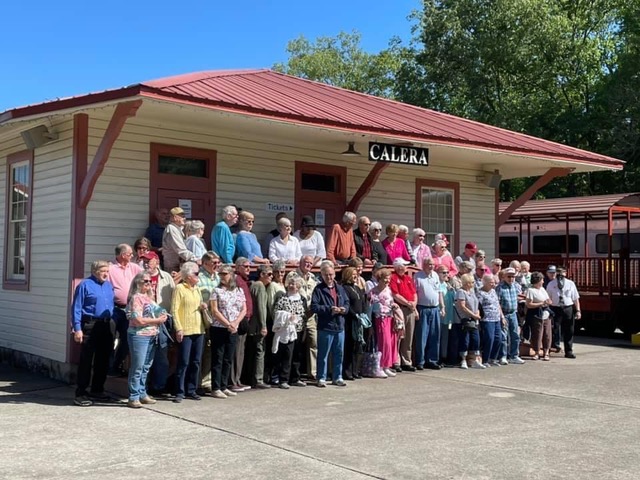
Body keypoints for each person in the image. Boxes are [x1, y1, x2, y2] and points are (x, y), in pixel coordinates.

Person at [71, 260, 115, 406]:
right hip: (89, 324)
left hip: (105, 324)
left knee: (103, 359)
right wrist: (77, 328)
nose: (106, 274)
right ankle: (81, 393)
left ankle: (97, 390)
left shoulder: (109, 286)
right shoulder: (84, 285)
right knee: (86, 360)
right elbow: (76, 307)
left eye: (107, 271)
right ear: (95, 271)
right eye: (103, 271)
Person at [125, 272, 168, 408]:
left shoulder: (148, 298)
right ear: (138, 283)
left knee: (146, 366)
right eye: (146, 281)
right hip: (139, 335)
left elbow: (160, 310)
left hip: (151, 335)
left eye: (150, 281)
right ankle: (133, 396)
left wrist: (162, 314)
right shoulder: (136, 298)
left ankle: (142, 393)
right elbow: (138, 320)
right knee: (138, 366)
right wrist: (157, 320)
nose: (149, 284)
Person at [139, 251, 176, 397]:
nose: (146, 263)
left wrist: (170, 318)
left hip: (162, 319)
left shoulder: (166, 277)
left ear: (156, 261)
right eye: (144, 261)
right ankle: (143, 387)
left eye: (149, 260)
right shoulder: (140, 277)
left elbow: (173, 298)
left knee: (162, 353)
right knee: (146, 355)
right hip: (145, 320)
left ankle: (159, 386)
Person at [171, 262, 207, 403]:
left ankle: (191, 389)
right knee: (184, 361)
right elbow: (174, 309)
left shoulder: (196, 289)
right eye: (196, 274)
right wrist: (178, 328)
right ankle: (179, 391)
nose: (198, 276)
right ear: (188, 276)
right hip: (185, 330)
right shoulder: (179, 288)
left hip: (199, 328)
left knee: (196, 361)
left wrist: (203, 306)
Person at [209, 264, 247, 398]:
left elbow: (243, 309)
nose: (222, 276)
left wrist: (235, 323)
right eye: (220, 274)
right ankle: (216, 387)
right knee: (218, 358)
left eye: (224, 274)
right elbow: (214, 310)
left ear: (231, 275)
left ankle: (224, 385)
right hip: (219, 328)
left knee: (228, 358)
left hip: (233, 328)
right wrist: (227, 324)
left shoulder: (238, 291)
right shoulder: (216, 291)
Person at [311, 263, 350, 387]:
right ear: (322, 275)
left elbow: (347, 302)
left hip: (339, 325)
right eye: (326, 275)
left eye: (331, 274)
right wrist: (329, 309)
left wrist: (344, 309)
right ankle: (321, 377)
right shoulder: (318, 289)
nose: (329, 277)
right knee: (323, 354)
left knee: (339, 353)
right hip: (325, 326)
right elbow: (314, 306)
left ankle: (337, 377)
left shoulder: (340, 288)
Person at [109, 243, 143, 376]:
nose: (132, 256)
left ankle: (117, 365)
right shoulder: (111, 268)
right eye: (130, 254)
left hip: (128, 308)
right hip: (113, 308)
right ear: (123, 255)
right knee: (109, 338)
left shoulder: (134, 267)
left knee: (127, 338)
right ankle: (109, 366)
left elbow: (146, 275)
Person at [272, 273, 308, 389]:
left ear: (298, 286)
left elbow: (305, 314)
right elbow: (276, 313)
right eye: (290, 283)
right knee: (287, 355)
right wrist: (287, 317)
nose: (292, 286)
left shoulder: (302, 299)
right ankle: (283, 379)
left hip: (299, 330)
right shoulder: (283, 298)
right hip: (286, 331)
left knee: (297, 354)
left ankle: (295, 378)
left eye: (294, 284)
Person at [414, 257, 445, 370]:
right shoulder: (418, 276)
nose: (431, 266)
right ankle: (420, 361)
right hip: (423, 308)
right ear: (424, 265)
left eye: (432, 264)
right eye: (429, 264)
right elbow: (415, 293)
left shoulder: (436, 275)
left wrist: (443, 307)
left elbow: (439, 292)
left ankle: (432, 360)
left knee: (434, 335)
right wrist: (415, 308)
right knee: (422, 336)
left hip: (435, 308)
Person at [369, 268, 401, 378]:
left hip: (390, 317)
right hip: (380, 318)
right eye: (385, 279)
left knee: (391, 342)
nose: (387, 281)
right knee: (384, 342)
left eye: (388, 279)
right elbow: (371, 306)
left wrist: (394, 305)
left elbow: (391, 302)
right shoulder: (373, 291)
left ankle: (387, 366)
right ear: (379, 279)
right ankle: (380, 366)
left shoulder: (388, 290)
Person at [196, 251, 220, 394]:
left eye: (218, 263)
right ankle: (197, 382)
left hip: (216, 320)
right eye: (214, 263)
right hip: (202, 319)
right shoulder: (199, 278)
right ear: (205, 264)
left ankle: (207, 381)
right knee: (201, 351)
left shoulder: (218, 277)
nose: (217, 266)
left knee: (211, 352)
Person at [246, 264, 273, 389]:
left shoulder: (253, 285)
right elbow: (261, 307)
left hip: (251, 324)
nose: (271, 277)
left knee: (253, 351)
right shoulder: (260, 286)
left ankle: (251, 377)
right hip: (257, 324)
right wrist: (263, 325)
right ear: (262, 274)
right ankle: (258, 379)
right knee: (260, 350)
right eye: (269, 274)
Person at [546, 266, 581, 359]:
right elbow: (548, 298)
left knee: (569, 330)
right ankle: (551, 349)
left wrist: (578, 310)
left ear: (565, 274)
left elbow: (575, 298)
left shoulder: (570, 284)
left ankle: (568, 351)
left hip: (567, 308)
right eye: (559, 273)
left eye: (562, 273)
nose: (560, 275)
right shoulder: (551, 284)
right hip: (555, 308)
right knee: (554, 330)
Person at [390, 259, 418, 372]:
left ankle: (407, 361)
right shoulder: (393, 278)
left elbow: (414, 293)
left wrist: (414, 305)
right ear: (398, 267)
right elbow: (395, 294)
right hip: (400, 309)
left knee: (409, 337)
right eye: (404, 265)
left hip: (410, 309)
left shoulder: (408, 278)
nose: (406, 268)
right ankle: (396, 361)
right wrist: (407, 303)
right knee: (399, 336)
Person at [229, 258, 253, 392]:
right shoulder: (236, 280)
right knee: (236, 351)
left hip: (246, 319)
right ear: (238, 267)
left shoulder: (244, 281)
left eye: (249, 266)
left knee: (241, 351)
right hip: (239, 319)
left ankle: (237, 379)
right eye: (245, 266)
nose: (248, 269)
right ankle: (233, 381)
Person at [341, 266, 368, 380]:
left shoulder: (357, 288)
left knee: (358, 346)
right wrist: (354, 315)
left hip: (359, 320)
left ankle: (355, 370)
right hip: (350, 320)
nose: (355, 276)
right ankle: (347, 372)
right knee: (349, 346)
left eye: (356, 274)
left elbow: (362, 302)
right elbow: (347, 304)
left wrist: (363, 315)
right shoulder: (344, 288)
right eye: (352, 274)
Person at [454, 274, 485, 369]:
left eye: (472, 282)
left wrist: (477, 314)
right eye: (470, 282)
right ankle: (463, 359)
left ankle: (475, 359)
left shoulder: (472, 292)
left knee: (476, 339)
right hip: (466, 319)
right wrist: (473, 315)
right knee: (465, 340)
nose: (472, 284)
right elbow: (462, 306)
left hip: (474, 320)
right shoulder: (461, 292)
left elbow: (477, 304)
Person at [495, 267, 526, 365]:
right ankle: (503, 356)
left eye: (513, 276)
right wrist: (502, 316)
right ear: (504, 277)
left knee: (515, 335)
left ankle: (514, 355)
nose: (511, 278)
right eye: (509, 276)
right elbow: (497, 303)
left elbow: (519, 296)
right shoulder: (500, 287)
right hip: (504, 314)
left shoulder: (515, 286)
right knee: (504, 336)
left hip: (513, 313)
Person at [297, 255, 319, 380]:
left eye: (311, 263)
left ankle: (313, 372)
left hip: (311, 315)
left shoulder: (313, 279)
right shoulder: (293, 276)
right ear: (300, 262)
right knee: (297, 344)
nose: (308, 265)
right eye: (306, 262)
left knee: (313, 342)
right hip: (298, 315)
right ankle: (296, 373)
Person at [477, 274, 505, 367]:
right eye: (491, 282)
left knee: (499, 338)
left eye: (493, 282)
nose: (493, 284)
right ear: (484, 282)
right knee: (489, 338)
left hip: (496, 318)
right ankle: (485, 359)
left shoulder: (493, 291)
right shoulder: (480, 292)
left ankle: (493, 358)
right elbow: (478, 306)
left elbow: (497, 304)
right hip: (487, 319)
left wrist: (502, 317)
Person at [162, 207, 199, 273]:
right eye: (182, 216)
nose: (184, 219)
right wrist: (196, 259)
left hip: (177, 265)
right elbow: (180, 249)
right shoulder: (172, 229)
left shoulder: (177, 229)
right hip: (172, 267)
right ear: (175, 217)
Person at [526, 272, 553, 361]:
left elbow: (548, 299)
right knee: (537, 334)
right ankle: (537, 352)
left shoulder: (542, 289)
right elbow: (529, 304)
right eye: (542, 280)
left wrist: (548, 302)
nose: (543, 281)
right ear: (537, 281)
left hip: (546, 314)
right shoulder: (530, 290)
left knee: (547, 334)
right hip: (537, 315)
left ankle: (546, 352)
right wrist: (541, 303)